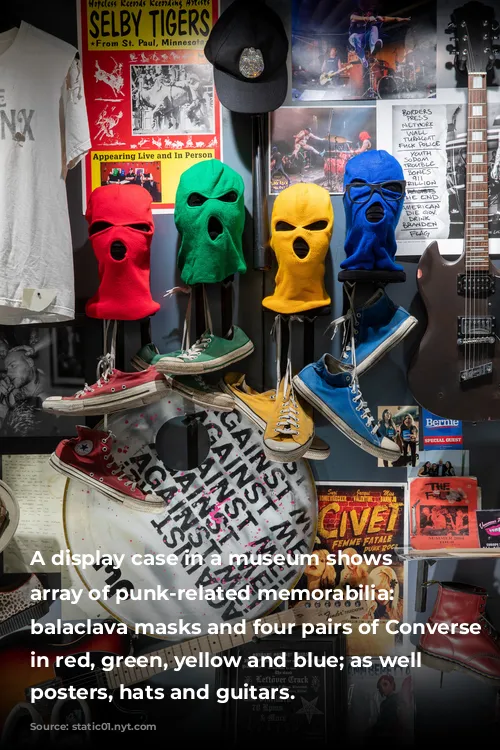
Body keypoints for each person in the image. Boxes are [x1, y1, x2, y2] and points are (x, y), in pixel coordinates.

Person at [0, 347, 48, 437]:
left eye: (13, 366)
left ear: (30, 362)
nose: (8, 373)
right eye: (7, 369)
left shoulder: (48, 397)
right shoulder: (10, 395)